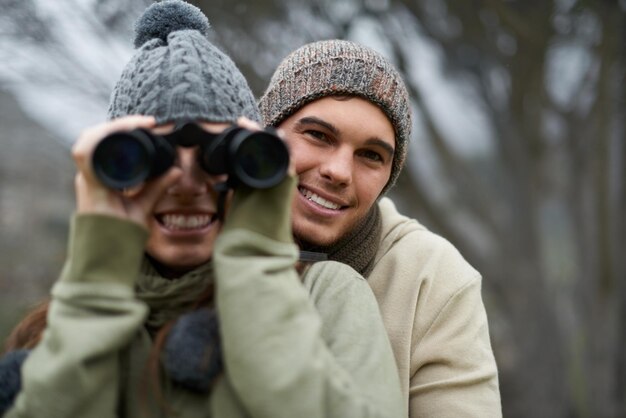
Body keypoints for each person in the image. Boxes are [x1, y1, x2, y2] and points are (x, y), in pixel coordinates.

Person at [1, 2, 404, 417]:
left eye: (216, 157)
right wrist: (98, 275)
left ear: (254, 167)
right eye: (157, 159)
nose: (188, 184)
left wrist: (254, 265)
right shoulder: (60, 324)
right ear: (113, 171)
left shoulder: (326, 295)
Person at [258, 39, 502, 417]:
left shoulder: (432, 278)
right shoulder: (191, 233)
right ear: (266, 136)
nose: (338, 172)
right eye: (318, 136)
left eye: (370, 156)